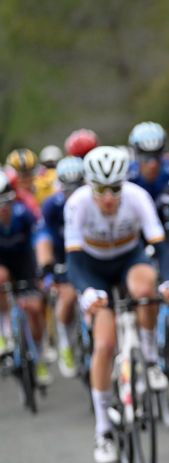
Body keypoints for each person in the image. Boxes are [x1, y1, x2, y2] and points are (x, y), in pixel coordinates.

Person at [64, 146, 169, 463]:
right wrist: (86, 291)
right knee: (104, 344)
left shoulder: (137, 196)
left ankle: (151, 358)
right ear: (90, 186)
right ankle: (103, 430)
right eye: (100, 190)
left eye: (114, 188)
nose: (108, 197)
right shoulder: (77, 204)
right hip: (92, 266)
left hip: (129, 257)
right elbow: (73, 260)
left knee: (145, 287)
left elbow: (161, 245)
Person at [0, 173, 51, 387]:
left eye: (5, 200)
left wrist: (43, 268)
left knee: (35, 309)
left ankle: (39, 356)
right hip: (2, 262)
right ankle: (5, 332)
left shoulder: (24, 213)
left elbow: (40, 238)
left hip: (24, 262)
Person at [40, 156, 87, 377]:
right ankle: (65, 342)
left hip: (88, 253)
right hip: (62, 255)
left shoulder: (91, 200)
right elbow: (44, 237)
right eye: (68, 188)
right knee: (67, 298)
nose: (73, 193)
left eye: (77, 186)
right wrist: (48, 266)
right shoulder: (52, 206)